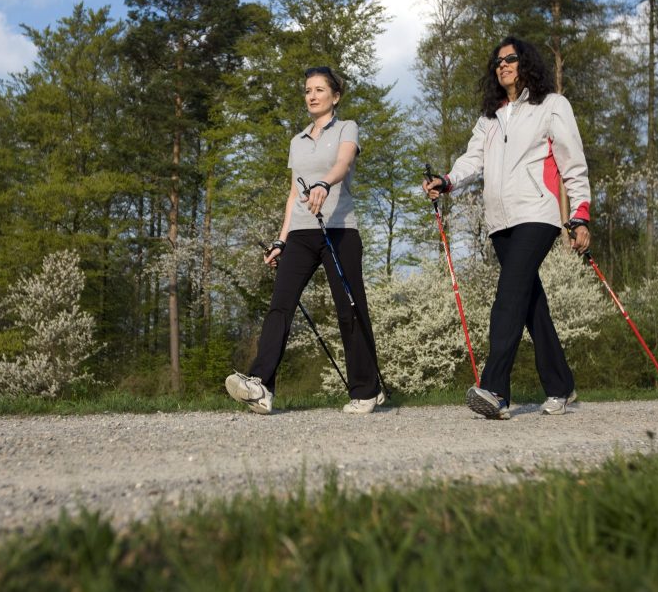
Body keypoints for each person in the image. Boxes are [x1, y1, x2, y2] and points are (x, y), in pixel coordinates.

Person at [423, 36, 591, 420]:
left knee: (509, 294)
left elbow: (572, 161)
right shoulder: (490, 117)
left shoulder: (551, 105)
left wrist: (580, 214)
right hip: (500, 222)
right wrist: (447, 181)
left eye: (511, 59)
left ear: (525, 62)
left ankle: (495, 389)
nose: (503, 66)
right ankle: (561, 386)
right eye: (498, 62)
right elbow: (472, 160)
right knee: (530, 303)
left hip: (538, 212)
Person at [225, 66, 385, 415]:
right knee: (280, 306)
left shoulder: (347, 128)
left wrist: (325, 184)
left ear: (335, 96)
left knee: (349, 309)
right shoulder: (296, 141)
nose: (312, 95)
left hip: (340, 230)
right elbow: (292, 193)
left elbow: (342, 164)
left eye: (319, 90)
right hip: (300, 231)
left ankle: (366, 390)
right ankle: (261, 386)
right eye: (307, 90)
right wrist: (280, 240)